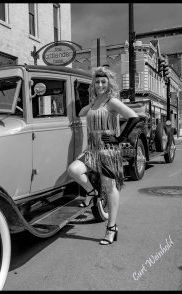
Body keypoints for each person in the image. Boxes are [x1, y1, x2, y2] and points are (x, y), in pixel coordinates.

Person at [67, 66, 139, 245]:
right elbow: (79, 112)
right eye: (97, 82)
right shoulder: (93, 103)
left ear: (108, 84)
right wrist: (76, 91)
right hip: (92, 149)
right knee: (74, 169)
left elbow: (134, 117)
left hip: (108, 150)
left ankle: (111, 227)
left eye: (103, 82)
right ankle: (91, 192)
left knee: (109, 187)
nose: (99, 84)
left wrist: (119, 137)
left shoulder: (111, 101)